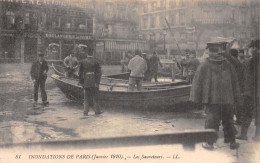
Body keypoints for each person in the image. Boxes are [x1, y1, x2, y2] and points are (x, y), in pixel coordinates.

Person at [190, 42, 241, 150]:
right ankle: (232, 142)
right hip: (228, 99)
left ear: (209, 51)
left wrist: (196, 98)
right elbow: (235, 81)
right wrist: (236, 97)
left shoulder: (205, 64)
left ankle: (210, 144)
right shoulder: (227, 63)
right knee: (229, 121)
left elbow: (197, 82)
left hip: (212, 99)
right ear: (218, 51)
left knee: (212, 121)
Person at [236, 40, 260, 141]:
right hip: (255, 93)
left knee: (247, 113)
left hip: (250, 92)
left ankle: (244, 135)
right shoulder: (249, 61)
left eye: (250, 48)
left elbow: (244, 78)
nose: (249, 50)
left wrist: (242, 90)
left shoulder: (249, 61)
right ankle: (257, 136)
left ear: (255, 48)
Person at [78, 49, 103, 116]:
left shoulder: (83, 62)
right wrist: (97, 82)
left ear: (87, 54)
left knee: (86, 97)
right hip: (94, 82)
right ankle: (97, 111)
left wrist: (81, 82)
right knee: (95, 97)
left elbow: (80, 73)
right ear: (93, 53)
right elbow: (99, 73)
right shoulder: (96, 62)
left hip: (86, 81)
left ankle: (85, 112)